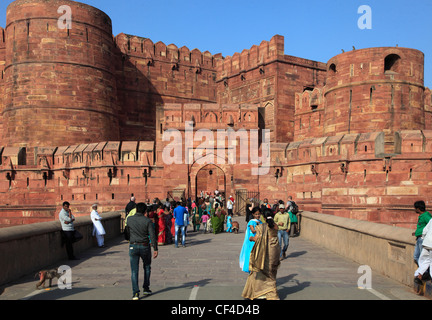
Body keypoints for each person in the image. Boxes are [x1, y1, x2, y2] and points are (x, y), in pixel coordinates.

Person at [242, 209, 280, 300]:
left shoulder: (262, 227)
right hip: (275, 252)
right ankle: (271, 294)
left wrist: (250, 238)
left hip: (266, 253)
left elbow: (257, 239)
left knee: (262, 271)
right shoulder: (275, 226)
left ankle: (261, 293)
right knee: (272, 273)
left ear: (263, 217)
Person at [125, 202, 158, 300]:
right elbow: (152, 236)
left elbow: (126, 232)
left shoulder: (129, 219)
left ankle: (135, 293)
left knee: (134, 271)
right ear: (145, 211)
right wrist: (155, 249)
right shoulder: (147, 221)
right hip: (144, 246)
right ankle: (146, 288)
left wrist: (130, 240)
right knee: (147, 267)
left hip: (133, 246)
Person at [239, 207, 262, 273]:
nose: (258, 215)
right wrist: (258, 228)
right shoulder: (251, 222)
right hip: (252, 240)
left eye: (259, 214)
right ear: (253, 214)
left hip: (259, 239)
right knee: (251, 253)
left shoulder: (260, 222)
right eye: (256, 214)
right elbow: (253, 230)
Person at [413, 200, 432, 266]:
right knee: (416, 257)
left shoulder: (426, 216)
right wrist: (416, 232)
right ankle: (423, 272)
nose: (414, 210)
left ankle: (424, 273)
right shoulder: (422, 216)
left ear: (418, 209)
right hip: (419, 238)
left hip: (422, 239)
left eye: (415, 208)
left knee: (422, 258)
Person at [414, 217, 432, 284]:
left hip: (426, 242)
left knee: (425, 260)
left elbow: (425, 230)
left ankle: (419, 276)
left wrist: (424, 238)